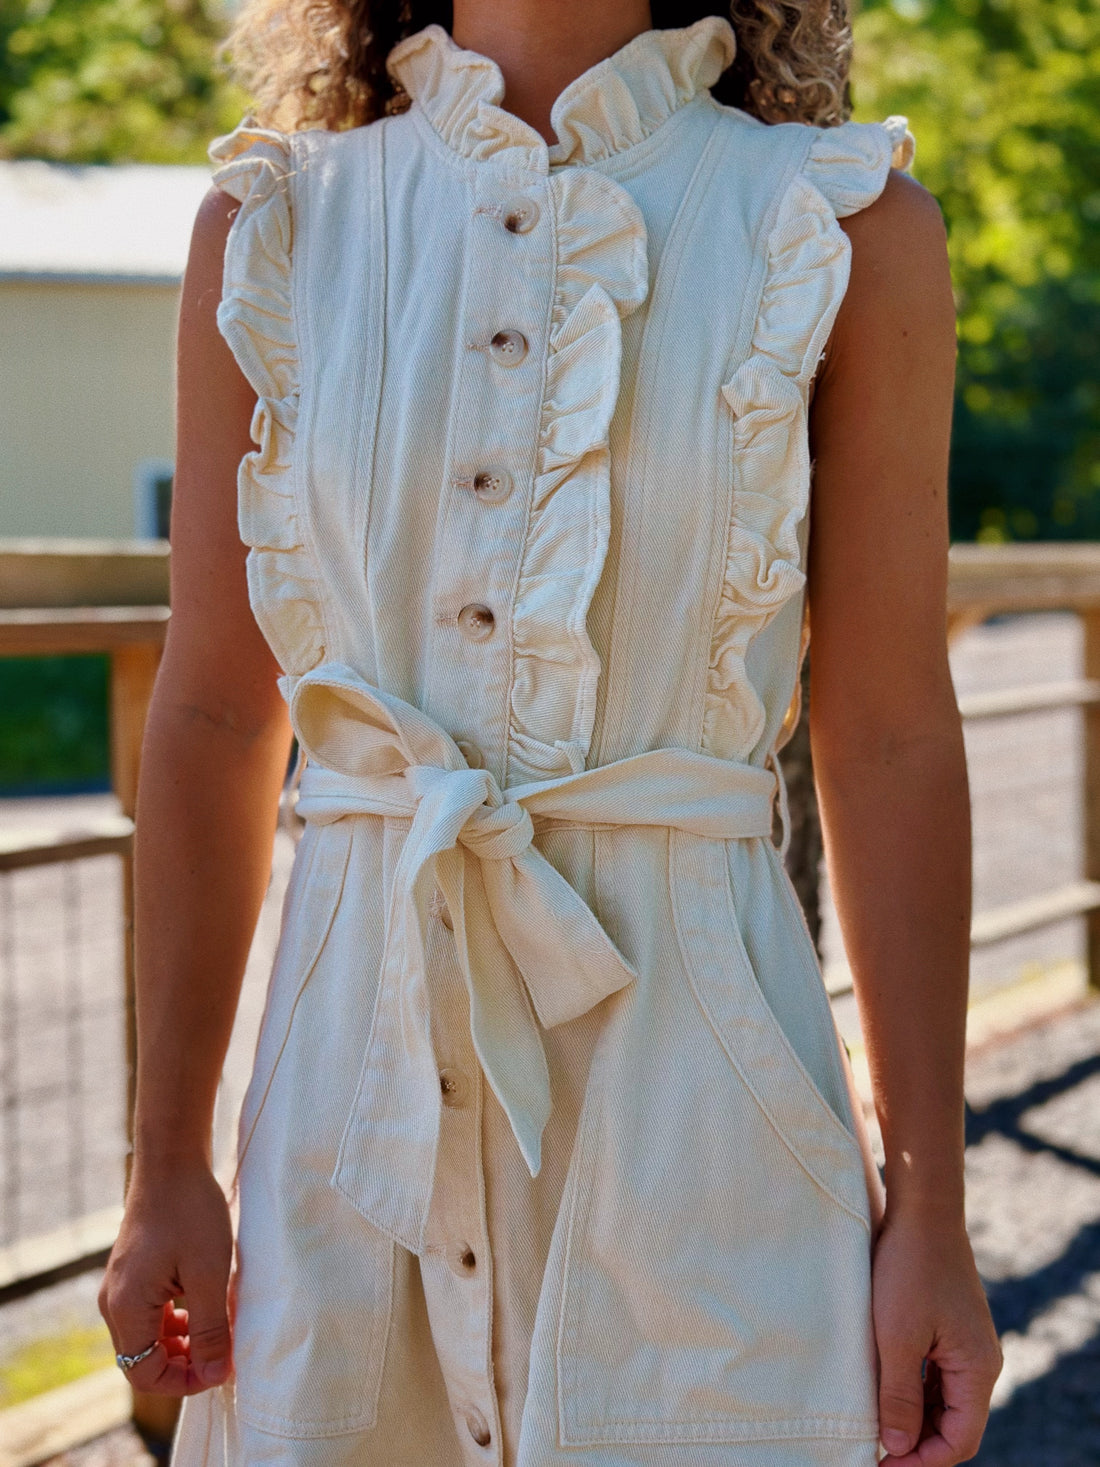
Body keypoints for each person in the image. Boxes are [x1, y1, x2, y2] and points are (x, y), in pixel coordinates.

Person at [98, 3, 1004, 1464]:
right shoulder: (269, 226)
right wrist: (164, 1170)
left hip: (706, 1110)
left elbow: (893, 729)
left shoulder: (843, 227)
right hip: (344, 1106)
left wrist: (935, 1215)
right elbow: (212, 710)